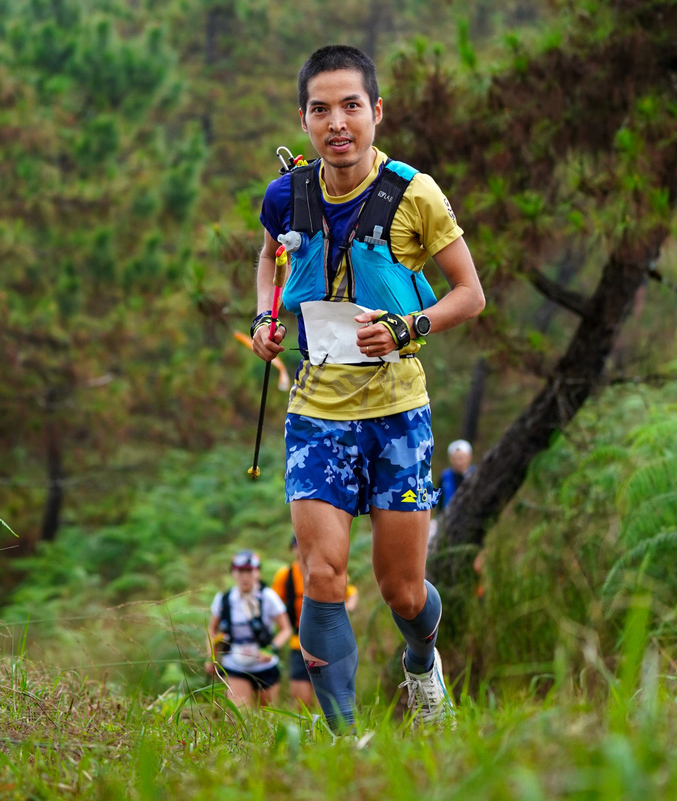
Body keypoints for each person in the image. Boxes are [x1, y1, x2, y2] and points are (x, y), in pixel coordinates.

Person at [252, 45, 485, 731]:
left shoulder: (416, 194)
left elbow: (469, 294)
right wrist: (266, 319)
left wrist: (410, 325)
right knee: (321, 573)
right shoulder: (285, 194)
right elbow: (269, 261)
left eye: (351, 105)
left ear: (375, 111)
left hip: (396, 412)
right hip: (316, 412)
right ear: (303, 118)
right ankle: (344, 741)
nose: (337, 123)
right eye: (320, 109)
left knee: (403, 590)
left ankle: (422, 661)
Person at [271, 535, 359, 709]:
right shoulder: (285, 575)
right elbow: (273, 603)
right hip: (298, 643)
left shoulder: (326, 570)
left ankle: (330, 731)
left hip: (327, 641)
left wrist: (347, 609)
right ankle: (308, 732)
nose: (299, 549)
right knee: (301, 699)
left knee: (328, 696)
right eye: (295, 545)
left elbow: (352, 593)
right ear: (292, 549)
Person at [206, 550, 292, 709]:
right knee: (240, 713)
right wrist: (211, 657)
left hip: (265, 665)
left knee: (268, 715)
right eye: (240, 571)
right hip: (235, 664)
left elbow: (285, 629)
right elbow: (212, 629)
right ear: (233, 573)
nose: (245, 576)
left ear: (257, 572)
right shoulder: (224, 600)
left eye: (249, 571)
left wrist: (271, 649)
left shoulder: (268, 597)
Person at [438, 439, 476, 511]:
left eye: (461, 458)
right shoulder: (445, 477)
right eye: (455, 458)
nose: (458, 462)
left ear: (469, 457)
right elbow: (440, 501)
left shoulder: (475, 474)